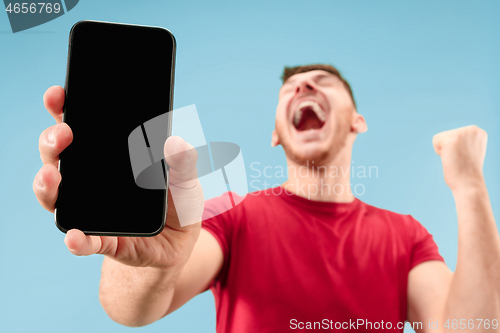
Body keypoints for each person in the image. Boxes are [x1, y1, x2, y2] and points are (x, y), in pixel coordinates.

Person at [34, 64, 498, 332]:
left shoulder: (406, 236)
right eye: (291, 87)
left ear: (358, 120)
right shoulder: (232, 212)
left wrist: (470, 186)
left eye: (323, 81)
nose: (304, 86)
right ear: (276, 134)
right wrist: (148, 255)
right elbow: (130, 309)